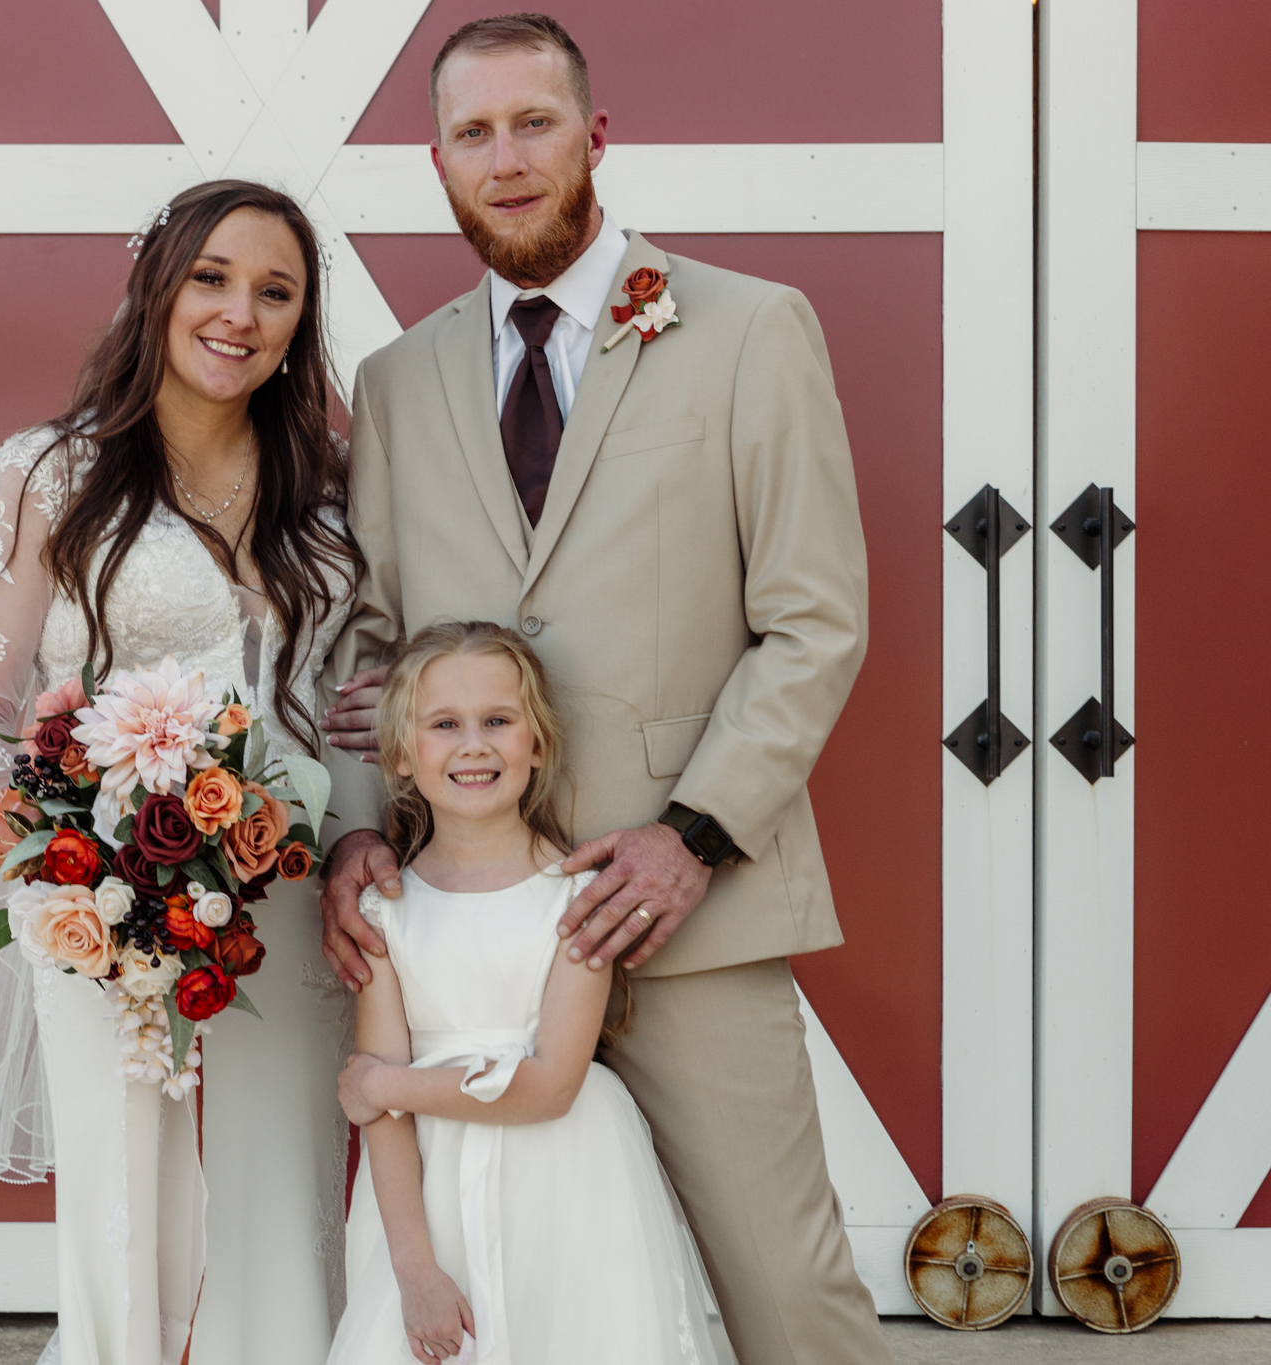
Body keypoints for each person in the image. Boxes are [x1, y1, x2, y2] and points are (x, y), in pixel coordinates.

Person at [317, 15, 889, 1365]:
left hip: (687, 904)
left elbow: (812, 623)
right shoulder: (395, 382)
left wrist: (692, 837)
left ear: (595, 136)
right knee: (497, 1290)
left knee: (788, 1289)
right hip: (462, 928)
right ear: (438, 164)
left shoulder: (750, 329)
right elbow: (369, 648)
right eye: (472, 134)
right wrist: (352, 830)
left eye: (534, 123)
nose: (506, 159)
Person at [0, 180, 362, 1365]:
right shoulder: (49, 472)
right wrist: (51, 843)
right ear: (156, 289)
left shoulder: (331, 477)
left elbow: (361, 682)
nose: (239, 313)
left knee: (282, 1181)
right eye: (211, 278)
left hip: (285, 881)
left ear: (300, 322)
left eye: (275, 292)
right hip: (103, 894)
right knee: (126, 1190)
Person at [325, 621, 724, 1365]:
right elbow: (382, 1122)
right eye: (445, 724)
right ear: (401, 754)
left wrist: (387, 1084)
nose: (474, 745)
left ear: (536, 744)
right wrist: (414, 1269)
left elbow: (549, 1087)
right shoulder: (383, 911)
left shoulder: (577, 900)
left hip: (563, 1184)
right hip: (428, 1202)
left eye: (498, 721)